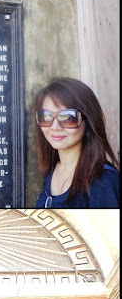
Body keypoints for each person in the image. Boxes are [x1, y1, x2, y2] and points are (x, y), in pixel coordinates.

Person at [33, 77, 119, 208]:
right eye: (46, 116)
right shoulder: (51, 169)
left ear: (88, 122)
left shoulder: (103, 181)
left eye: (68, 117)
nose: (55, 127)